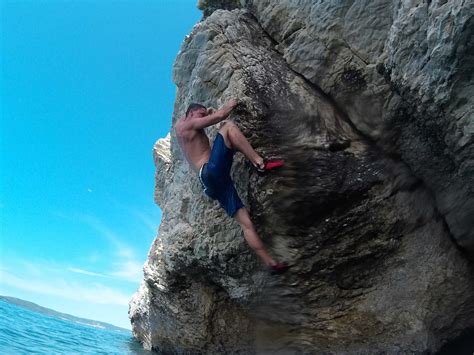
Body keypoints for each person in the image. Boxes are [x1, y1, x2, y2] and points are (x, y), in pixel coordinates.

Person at [175, 99, 288, 273]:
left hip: (209, 183)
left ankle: (271, 263)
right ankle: (260, 164)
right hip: (211, 170)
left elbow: (203, 121)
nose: (203, 118)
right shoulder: (190, 123)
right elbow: (221, 115)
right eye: (201, 115)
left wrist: (206, 113)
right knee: (227, 127)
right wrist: (231, 104)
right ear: (190, 114)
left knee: (246, 224)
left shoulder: (181, 127)